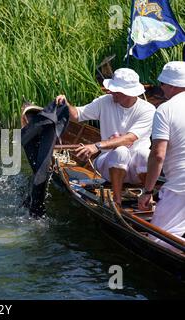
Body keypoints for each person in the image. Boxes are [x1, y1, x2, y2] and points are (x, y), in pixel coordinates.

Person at [56, 68, 156, 204]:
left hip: (136, 169)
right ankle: (117, 200)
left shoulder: (148, 110)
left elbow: (130, 138)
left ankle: (147, 195)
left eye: (115, 90)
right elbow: (77, 115)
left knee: (145, 154)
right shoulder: (104, 101)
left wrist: (96, 146)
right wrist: (66, 105)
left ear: (128, 93)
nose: (110, 92)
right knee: (121, 151)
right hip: (108, 165)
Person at [139, 61, 185, 246]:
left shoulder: (165, 110)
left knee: (158, 239)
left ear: (172, 85)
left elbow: (158, 155)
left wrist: (148, 191)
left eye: (163, 84)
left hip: (180, 187)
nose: (161, 87)